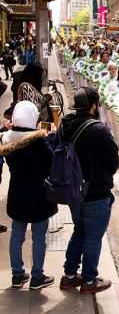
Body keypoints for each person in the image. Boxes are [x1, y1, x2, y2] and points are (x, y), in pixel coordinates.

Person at [57, 87, 119, 294]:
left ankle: (69, 275)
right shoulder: (98, 130)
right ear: (94, 105)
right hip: (96, 193)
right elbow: (113, 162)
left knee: (79, 231)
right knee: (93, 237)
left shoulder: (64, 125)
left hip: (73, 192)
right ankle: (90, 280)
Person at [0, 101, 58, 289]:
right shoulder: (39, 143)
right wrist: (50, 136)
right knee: (39, 237)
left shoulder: (8, 140)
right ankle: (37, 277)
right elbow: (52, 161)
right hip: (39, 197)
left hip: (18, 195)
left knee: (17, 235)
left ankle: (17, 276)